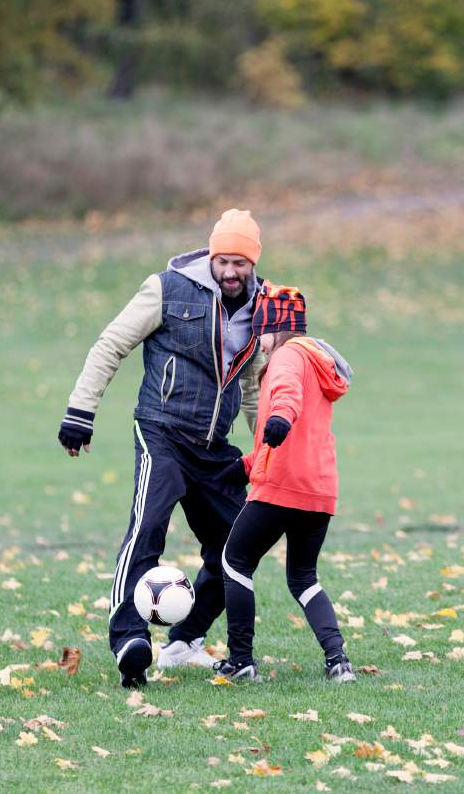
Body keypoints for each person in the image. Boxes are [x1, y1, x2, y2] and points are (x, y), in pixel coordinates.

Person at [57, 209, 267, 688]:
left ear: (253, 262)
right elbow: (110, 344)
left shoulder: (263, 304)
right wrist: (80, 412)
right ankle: (129, 640)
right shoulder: (166, 288)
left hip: (216, 448)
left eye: (241, 263)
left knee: (240, 543)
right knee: (147, 529)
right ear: (212, 256)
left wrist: (266, 456)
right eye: (223, 261)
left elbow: (254, 387)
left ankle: (185, 640)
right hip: (162, 431)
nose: (231, 272)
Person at [212, 283, 355, 684]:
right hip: (319, 489)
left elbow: (286, 400)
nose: (259, 343)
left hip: (282, 487)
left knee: (235, 561)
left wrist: (278, 419)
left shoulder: (289, 356)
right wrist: (243, 467)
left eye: (260, 333)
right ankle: (337, 660)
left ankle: (240, 659)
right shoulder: (315, 361)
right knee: (303, 577)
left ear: (273, 329)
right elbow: (293, 440)